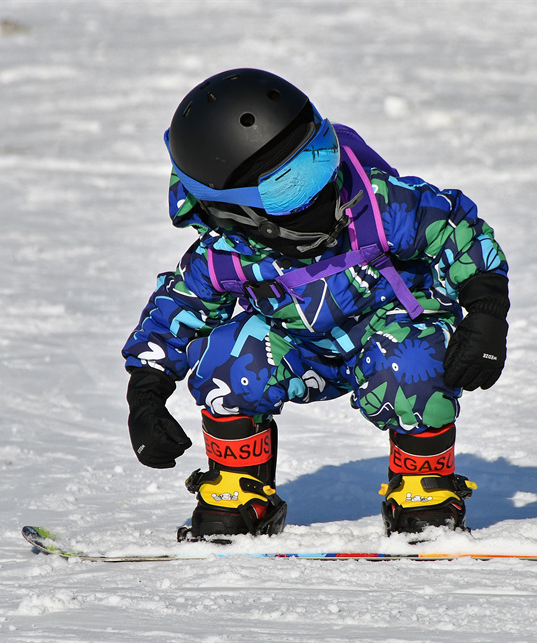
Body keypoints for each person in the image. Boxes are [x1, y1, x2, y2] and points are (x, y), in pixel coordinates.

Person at [122, 68, 509, 541]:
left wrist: (486, 314)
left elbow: (456, 230)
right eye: (294, 185)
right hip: (298, 350)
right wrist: (146, 393)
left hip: (384, 331)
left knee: (414, 355)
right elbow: (177, 309)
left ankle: (424, 486)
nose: (325, 189)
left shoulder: (375, 205)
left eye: (321, 157)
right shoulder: (226, 254)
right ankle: (238, 491)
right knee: (225, 355)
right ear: (238, 211)